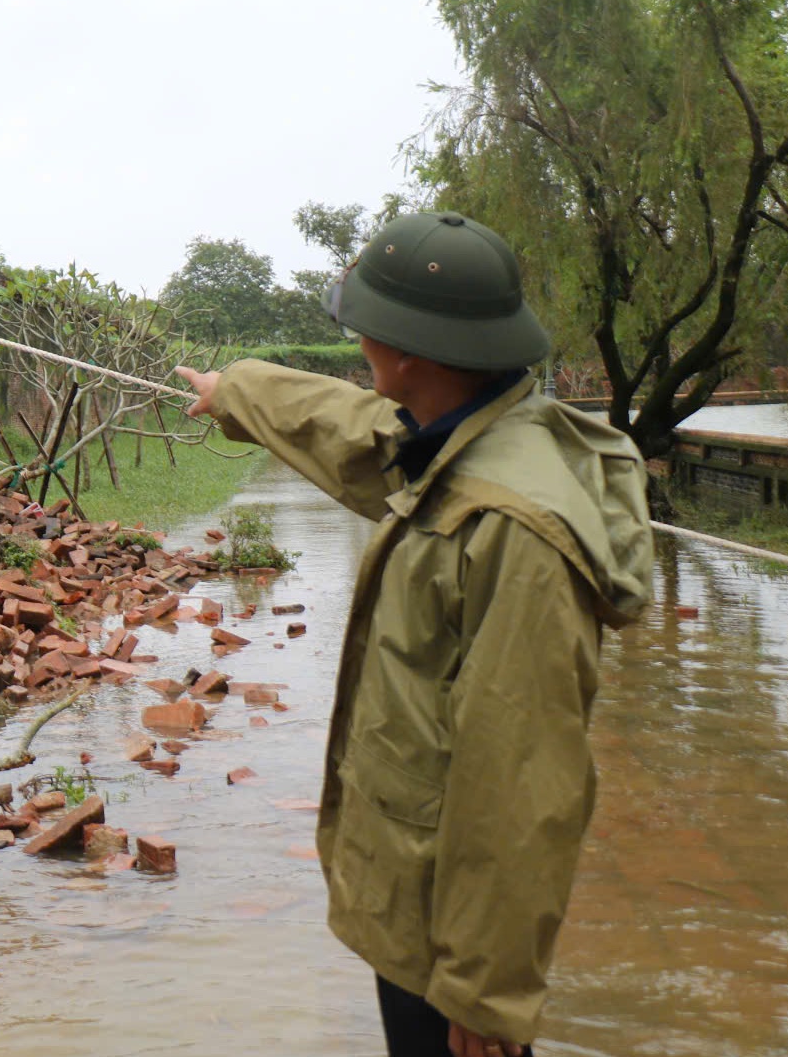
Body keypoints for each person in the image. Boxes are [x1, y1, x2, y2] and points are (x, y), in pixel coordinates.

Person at [173, 212, 654, 1057]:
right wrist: (236, 393)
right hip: (421, 884)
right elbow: (357, 432)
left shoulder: (514, 529)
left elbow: (522, 772)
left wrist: (484, 985)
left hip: (452, 923)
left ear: (406, 355)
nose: (358, 343)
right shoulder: (463, 441)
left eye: (367, 330)